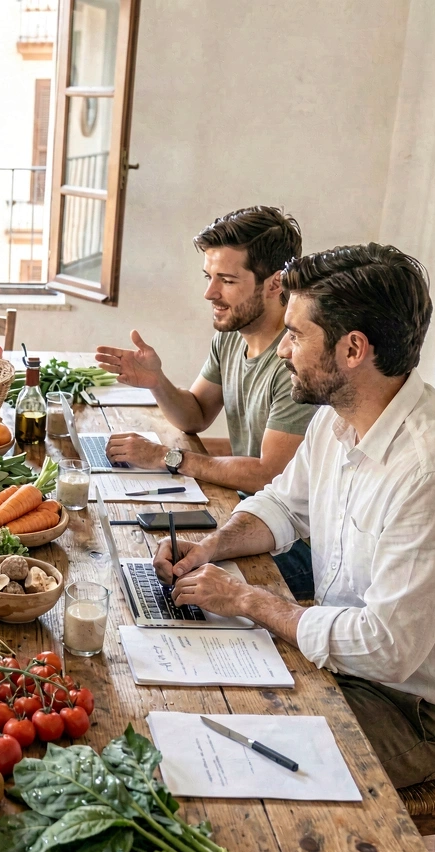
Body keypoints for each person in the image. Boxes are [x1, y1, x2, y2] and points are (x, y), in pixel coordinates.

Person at [153, 243, 435, 789]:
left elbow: (386, 649)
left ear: (353, 349)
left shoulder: (434, 474)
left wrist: (249, 600)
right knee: (194, 687)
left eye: (296, 336)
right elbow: (282, 505)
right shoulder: (337, 418)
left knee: (217, 756)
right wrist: (210, 546)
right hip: (351, 666)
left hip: (413, 713)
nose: (282, 351)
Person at [94, 206, 317, 597]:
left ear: (275, 283)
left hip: (297, 542)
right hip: (246, 510)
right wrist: (157, 382)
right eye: (209, 277)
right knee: (129, 547)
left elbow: (269, 474)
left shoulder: (295, 361)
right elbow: (195, 415)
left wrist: (167, 457)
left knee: (162, 574)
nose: (210, 293)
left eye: (226, 280)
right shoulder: (232, 335)